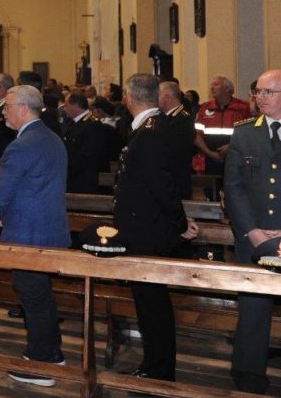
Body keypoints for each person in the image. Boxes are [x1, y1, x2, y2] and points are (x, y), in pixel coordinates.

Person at [114, 73, 196, 383]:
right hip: (144, 228)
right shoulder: (152, 127)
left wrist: (180, 223)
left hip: (147, 232)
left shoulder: (149, 132)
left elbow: (161, 185)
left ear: (128, 97)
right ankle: (153, 365)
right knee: (148, 304)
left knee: (153, 306)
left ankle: (158, 371)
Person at [0, 85, 70, 387]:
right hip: (50, 231)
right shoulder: (52, 139)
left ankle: (41, 363)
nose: (3, 112)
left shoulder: (21, 146)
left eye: (8, 106)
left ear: (23, 109)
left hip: (27, 233)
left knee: (32, 298)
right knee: (42, 296)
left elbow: (3, 192)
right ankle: (52, 352)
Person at [224, 69, 281, 394]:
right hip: (254, 238)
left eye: (268, 92)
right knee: (253, 309)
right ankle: (248, 375)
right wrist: (252, 232)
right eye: (258, 91)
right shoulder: (244, 133)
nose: (260, 98)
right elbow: (233, 188)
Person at [194, 75, 251, 176]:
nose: (212, 88)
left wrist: (232, 147)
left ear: (228, 89)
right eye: (211, 85)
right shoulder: (205, 108)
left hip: (237, 159)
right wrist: (209, 153)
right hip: (211, 160)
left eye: (216, 84)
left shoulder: (243, 107)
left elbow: (250, 135)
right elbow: (196, 135)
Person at [61, 90, 109, 194]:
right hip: (71, 178)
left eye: (66, 105)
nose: (64, 108)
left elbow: (88, 155)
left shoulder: (92, 124)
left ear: (75, 105)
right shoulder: (72, 123)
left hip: (83, 182)